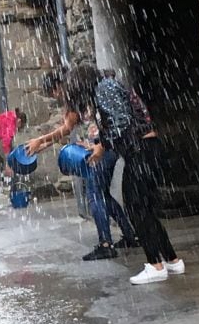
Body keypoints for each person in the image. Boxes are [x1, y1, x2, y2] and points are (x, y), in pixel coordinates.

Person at [28, 63, 184, 285]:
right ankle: (172, 261)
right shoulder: (104, 89)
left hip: (142, 151)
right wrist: (99, 141)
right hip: (143, 151)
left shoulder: (105, 88)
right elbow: (115, 123)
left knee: (136, 208)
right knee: (146, 210)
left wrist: (102, 145)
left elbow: (121, 122)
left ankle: (155, 266)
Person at [31, 70, 138, 261]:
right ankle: (129, 235)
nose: (56, 97)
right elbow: (68, 129)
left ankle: (106, 244)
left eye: (53, 93)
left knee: (95, 192)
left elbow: (66, 128)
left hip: (105, 148)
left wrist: (40, 140)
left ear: (58, 86)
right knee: (102, 194)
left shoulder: (85, 93)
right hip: (103, 145)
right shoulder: (84, 95)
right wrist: (41, 145)